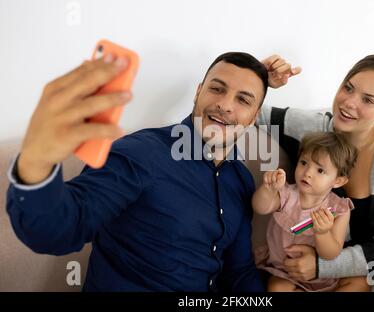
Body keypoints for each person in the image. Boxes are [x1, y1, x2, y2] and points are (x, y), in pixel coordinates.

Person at [6, 51, 270, 291]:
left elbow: (239, 273)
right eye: (217, 88)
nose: (225, 105)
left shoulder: (241, 179)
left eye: (243, 100)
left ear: (255, 116)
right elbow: (59, 229)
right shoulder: (140, 153)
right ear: (198, 92)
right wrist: (35, 163)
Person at [256, 54, 374, 291]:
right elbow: (251, 112)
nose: (349, 102)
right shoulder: (317, 130)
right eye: (348, 88)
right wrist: (260, 79)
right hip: (365, 265)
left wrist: (322, 267)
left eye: (368, 100)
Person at [253, 131, 371, 292]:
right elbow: (260, 207)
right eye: (303, 163)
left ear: (338, 181)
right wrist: (268, 190)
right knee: (277, 287)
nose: (307, 173)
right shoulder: (286, 194)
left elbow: (331, 254)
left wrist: (322, 233)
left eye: (320, 170)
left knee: (361, 282)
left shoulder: (338, 210)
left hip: (326, 276)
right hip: (286, 273)